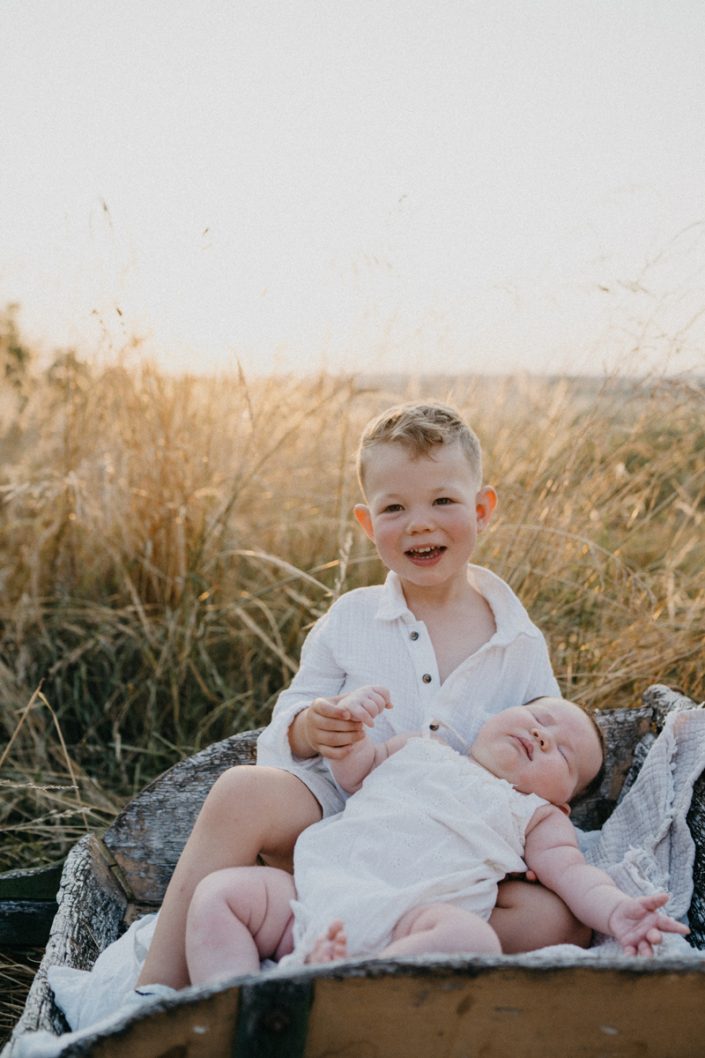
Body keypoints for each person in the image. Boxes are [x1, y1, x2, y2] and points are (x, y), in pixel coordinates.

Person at [137, 400, 577, 991]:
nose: (419, 522)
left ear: (482, 509)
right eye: (395, 507)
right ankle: (156, 990)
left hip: (450, 844)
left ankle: (377, 959)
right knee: (241, 790)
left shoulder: (517, 641)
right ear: (369, 524)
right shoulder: (352, 618)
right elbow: (291, 714)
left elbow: (553, 746)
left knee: (560, 920)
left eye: (443, 501)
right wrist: (311, 728)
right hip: (341, 811)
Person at [184, 692, 689, 982]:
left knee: (472, 940)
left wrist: (616, 911)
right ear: (491, 720)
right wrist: (352, 727)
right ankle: (233, 999)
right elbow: (355, 771)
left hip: (410, 925)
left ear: (562, 803)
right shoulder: (418, 749)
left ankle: (348, 978)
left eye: (564, 754)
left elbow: (576, 878)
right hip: (311, 897)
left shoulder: (536, 817)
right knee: (220, 894)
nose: (543, 735)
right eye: (539, 718)